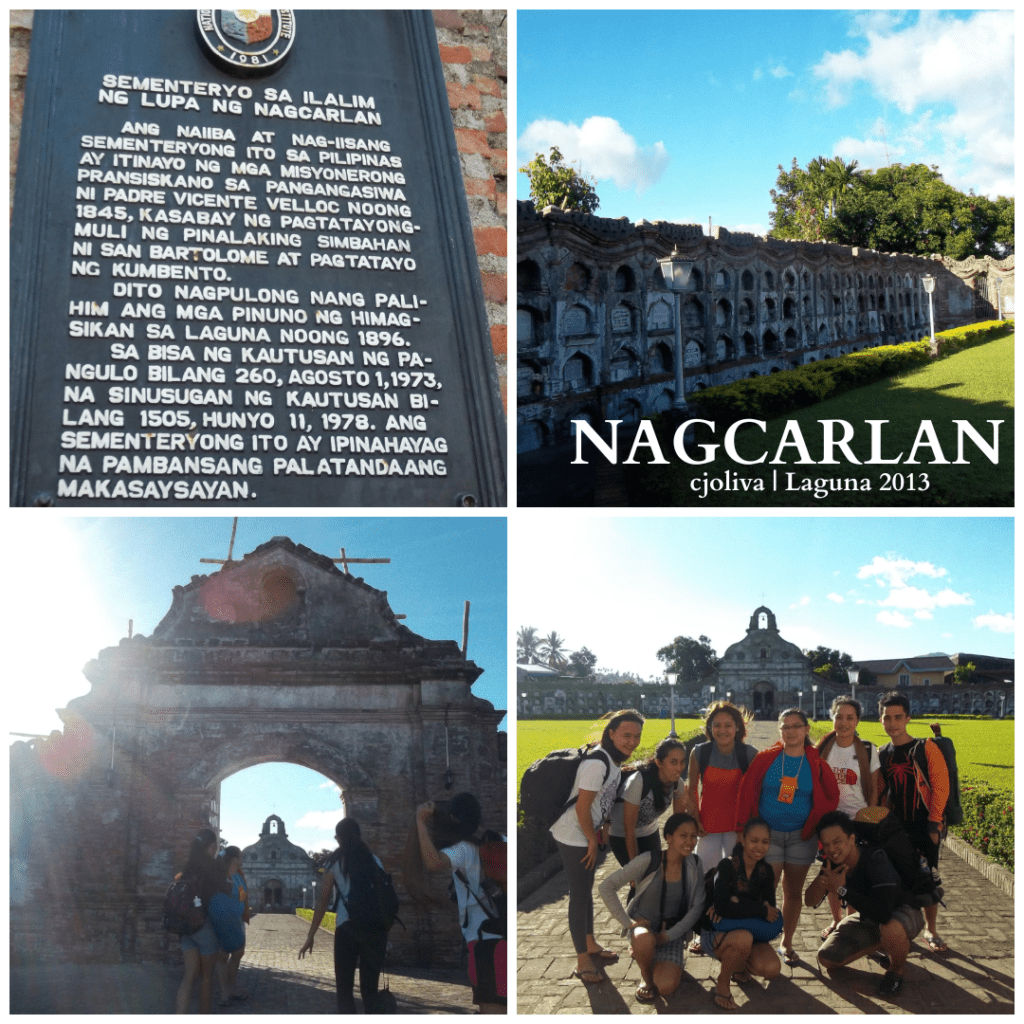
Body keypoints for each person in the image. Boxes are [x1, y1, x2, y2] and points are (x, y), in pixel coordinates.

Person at [734, 708, 839, 965]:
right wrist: (742, 829)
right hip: (766, 836)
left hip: (801, 837)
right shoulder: (766, 759)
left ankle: (786, 942)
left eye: (796, 726)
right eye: (785, 727)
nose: (790, 731)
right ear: (779, 731)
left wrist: (819, 827)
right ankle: (759, 942)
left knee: (793, 892)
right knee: (765, 889)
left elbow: (830, 797)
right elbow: (746, 792)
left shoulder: (816, 763)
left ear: (806, 730)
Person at [549, 708, 644, 985]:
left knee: (584, 891)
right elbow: (581, 808)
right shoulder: (597, 764)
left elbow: (598, 802)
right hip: (573, 834)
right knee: (579, 896)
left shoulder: (612, 760)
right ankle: (582, 960)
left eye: (637, 736)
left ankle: (589, 943)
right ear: (611, 733)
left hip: (586, 831)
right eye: (626, 735)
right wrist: (592, 839)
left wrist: (600, 828)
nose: (632, 741)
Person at [806, 810, 925, 996]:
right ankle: (882, 944)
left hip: (902, 912)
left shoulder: (875, 859)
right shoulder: (833, 863)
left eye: (837, 842)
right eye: (827, 844)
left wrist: (841, 889)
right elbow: (809, 900)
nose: (832, 849)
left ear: (852, 839)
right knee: (827, 959)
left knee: (890, 928)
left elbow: (884, 913)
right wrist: (823, 876)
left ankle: (895, 970)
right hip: (869, 917)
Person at [413, 793, 507, 1014]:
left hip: (483, 941)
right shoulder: (500, 840)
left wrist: (420, 821)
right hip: (504, 934)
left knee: (491, 1007)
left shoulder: (464, 849)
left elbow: (433, 862)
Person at [598, 813, 705, 1003]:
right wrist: (628, 922)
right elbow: (606, 886)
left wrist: (669, 936)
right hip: (644, 928)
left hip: (672, 933)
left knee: (666, 986)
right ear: (668, 837)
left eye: (694, 836)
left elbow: (697, 908)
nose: (690, 841)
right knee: (643, 939)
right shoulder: (650, 859)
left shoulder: (695, 864)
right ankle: (645, 975)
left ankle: (648, 955)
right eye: (683, 835)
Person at [876, 691, 950, 953]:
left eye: (898, 717)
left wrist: (934, 823)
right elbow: (881, 791)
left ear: (908, 718)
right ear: (880, 719)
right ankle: (901, 927)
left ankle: (931, 929)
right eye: (887, 718)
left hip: (922, 824)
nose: (892, 723)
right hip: (895, 828)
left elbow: (941, 787)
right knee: (897, 877)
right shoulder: (882, 752)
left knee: (928, 877)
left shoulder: (925, 748)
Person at [298, 818, 388, 1013]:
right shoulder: (374, 860)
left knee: (345, 989)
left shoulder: (335, 862)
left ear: (338, 838)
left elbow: (322, 902)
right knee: (370, 990)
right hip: (375, 930)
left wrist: (310, 935)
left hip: (347, 928)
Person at [816, 697, 881, 941]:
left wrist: (870, 821)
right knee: (832, 872)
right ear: (832, 718)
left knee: (855, 875)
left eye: (850, 718)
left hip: (858, 821)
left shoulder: (866, 749)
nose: (843, 722)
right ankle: (836, 919)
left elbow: (873, 789)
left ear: (857, 721)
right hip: (831, 822)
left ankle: (851, 920)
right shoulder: (823, 748)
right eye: (839, 717)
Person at [700, 817, 782, 1011]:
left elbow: (771, 913)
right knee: (743, 937)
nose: (759, 847)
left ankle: (739, 965)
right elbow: (721, 908)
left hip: (747, 930)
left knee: (772, 968)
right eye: (754, 840)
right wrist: (757, 908)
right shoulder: (726, 865)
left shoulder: (766, 870)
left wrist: (738, 903)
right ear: (743, 840)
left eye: (765, 842)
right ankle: (723, 982)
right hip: (716, 933)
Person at [686, 702, 759, 876]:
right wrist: (696, 820)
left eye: (728, 725)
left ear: (737, 727)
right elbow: (692, 790)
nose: (722, 730)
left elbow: (758, 793)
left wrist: (749, 828)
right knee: (706, 875)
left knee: (738, 876)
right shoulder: (699, 753)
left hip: (738, 829)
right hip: (707, 827)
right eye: (716, 725)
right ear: (710, 728)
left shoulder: (749, 754)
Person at [608, 737, 688, 872]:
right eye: (673, 762)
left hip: (649, 832)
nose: (679, 768)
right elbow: (629, 830)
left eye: (682, 762)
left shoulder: (677, 783)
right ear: (659, 762)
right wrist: (633, 870)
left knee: (656, 875)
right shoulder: (638, 782)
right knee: (639, 879)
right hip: (622, 835)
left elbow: (678, 826)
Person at [175, 827, 229, 1014]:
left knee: (189, 976)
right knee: (206, 978)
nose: (215, 849)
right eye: (215, 846)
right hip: (204, 926)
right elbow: (225, 892)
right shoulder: (213, 866)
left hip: (186, 927)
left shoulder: (188, 867)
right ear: (211, 846)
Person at [215, 846, 250, 1005]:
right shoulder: (221, 876)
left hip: (238, 919)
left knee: (238, 953)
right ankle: (224, 993)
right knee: (223, 956)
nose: (242, 858)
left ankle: (230, 987)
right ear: (235, 858)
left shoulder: (239, 875)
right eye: (240, 856)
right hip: (224, 919)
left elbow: (243, 895)